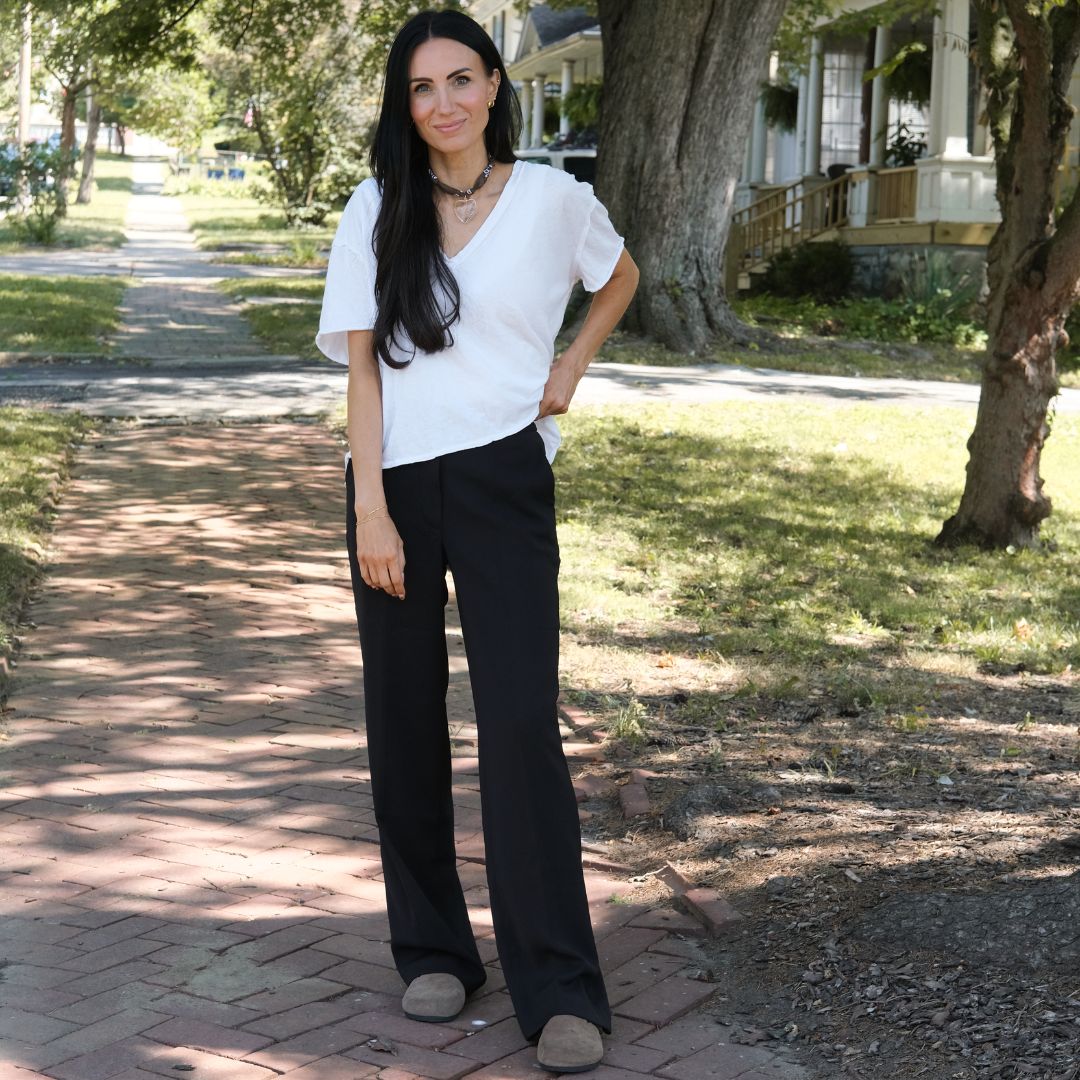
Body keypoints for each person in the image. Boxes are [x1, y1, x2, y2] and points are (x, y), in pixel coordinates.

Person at [316, 8, 639, 1073]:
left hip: (507, 478)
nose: (443, 103)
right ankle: (435, 949)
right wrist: (370, 506)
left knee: (517, 730)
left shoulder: (551, 198)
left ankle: (559, 988)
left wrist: (573, 364)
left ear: (495, 86)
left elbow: (621, 276)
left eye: (461, 79)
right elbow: (363, 371)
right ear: (403, 106)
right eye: (421, 88)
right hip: (394, 484)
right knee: (403, 722)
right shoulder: (378, 206)